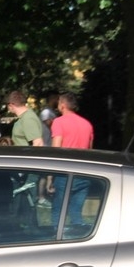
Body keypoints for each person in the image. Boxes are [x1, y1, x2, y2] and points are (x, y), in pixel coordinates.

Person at [48, 93, 95, 225]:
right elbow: (90, 150)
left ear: (63, 105)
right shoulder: (87, 124)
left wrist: (50, 177)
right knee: (76, 211)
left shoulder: (59, 122)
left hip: (64, 172)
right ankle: (78, 232)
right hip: (84, 173)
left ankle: (56, 236)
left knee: (58, 211)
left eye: (58, 103)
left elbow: (55, 151)